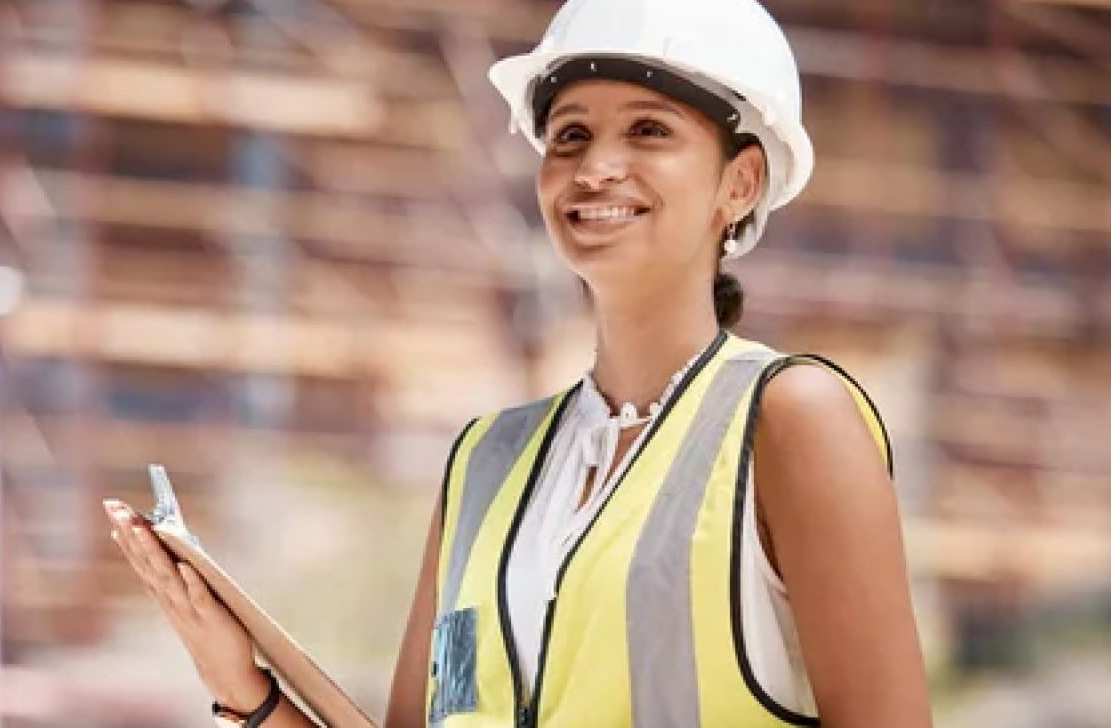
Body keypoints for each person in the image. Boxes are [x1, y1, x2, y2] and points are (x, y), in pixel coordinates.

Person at [102, 0, 932, 725]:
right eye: (570, 134)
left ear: (740, 182)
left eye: (649, 129)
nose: (596, 165)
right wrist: (241, 687)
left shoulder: (790, 419)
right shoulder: (483, 464)